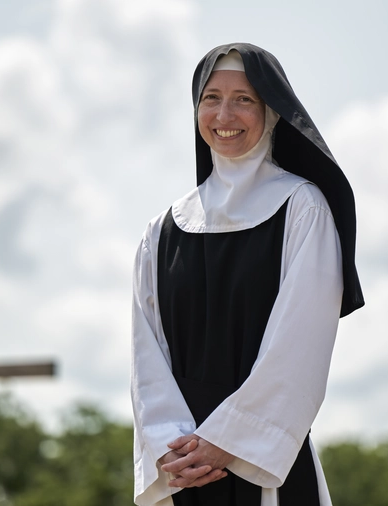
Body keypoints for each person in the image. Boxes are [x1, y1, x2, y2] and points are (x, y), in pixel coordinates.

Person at [130, 43, 364, 506]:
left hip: (265, 461)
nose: (225, 113)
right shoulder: (161, 231)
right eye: (211, 97)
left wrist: (229, 441)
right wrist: (170, 447)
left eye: (244, 99)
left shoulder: (302, 209)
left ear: (272, 112)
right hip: (183, 469)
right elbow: (145, 356)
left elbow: (299, 345)